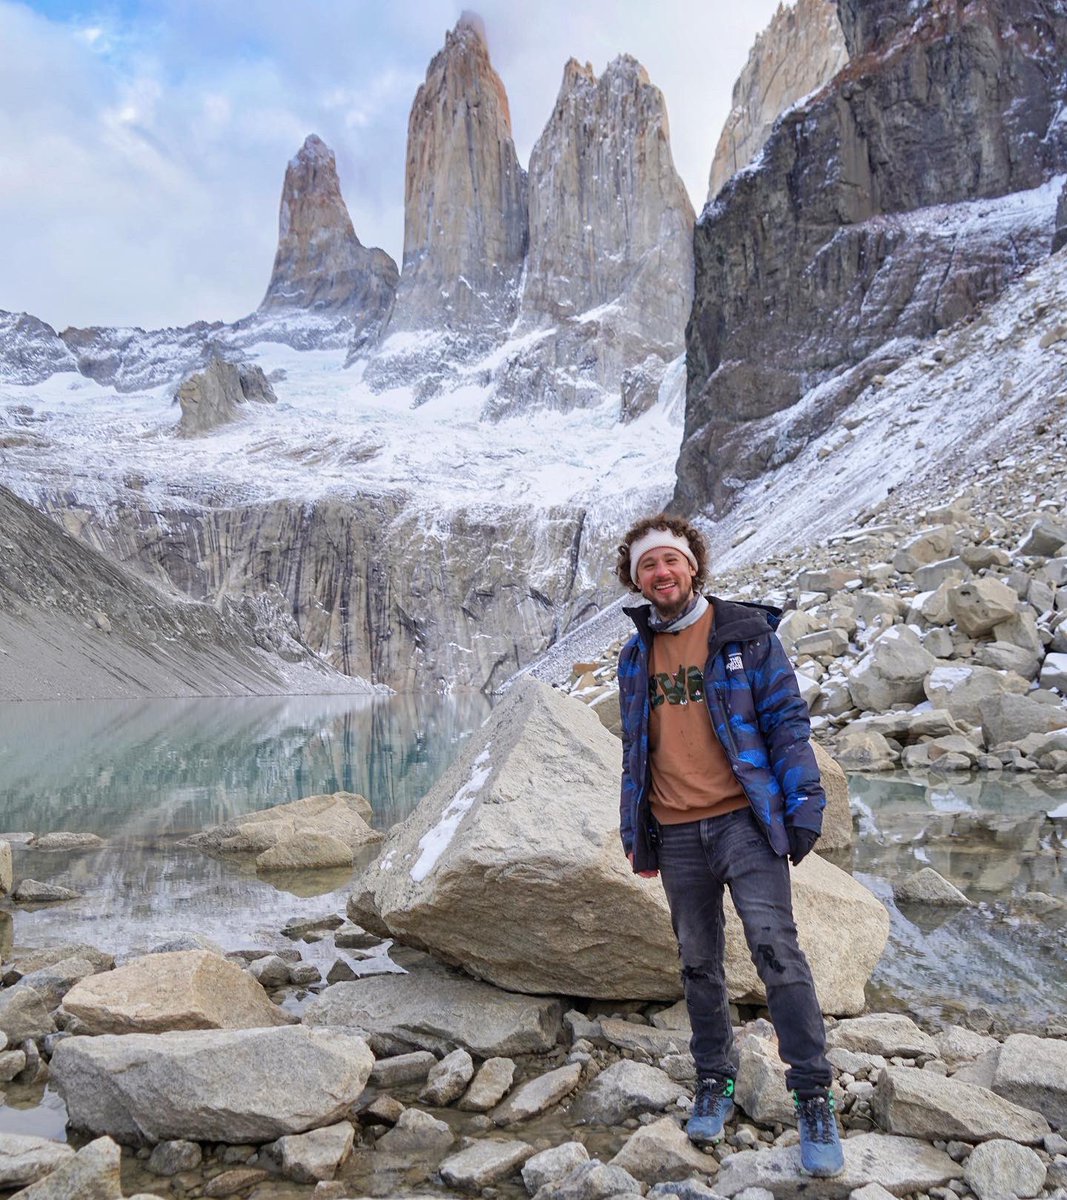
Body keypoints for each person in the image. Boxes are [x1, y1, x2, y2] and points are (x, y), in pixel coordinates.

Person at [615, 512, 845, 1179]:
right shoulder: (635, 655)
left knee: (777, 952)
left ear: (692, 567)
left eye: (670, 561)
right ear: (636, 580)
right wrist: (635, 830)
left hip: (743, 822)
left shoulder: (744, 634)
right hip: (675, 831)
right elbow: (636, 752)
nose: (661, 573)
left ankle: (813, 1098)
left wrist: (804, 805)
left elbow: (786, 722)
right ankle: (713, 1082)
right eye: (647, 566)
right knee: (697, 963)